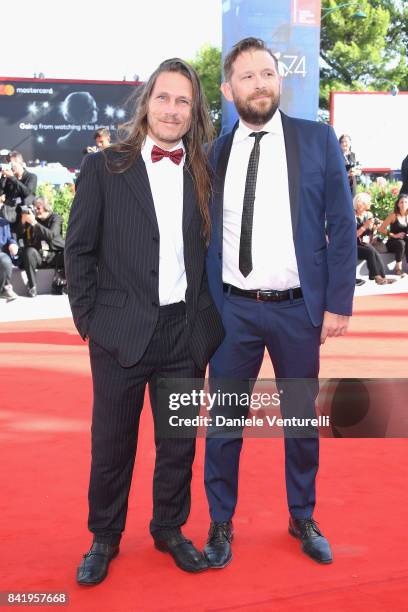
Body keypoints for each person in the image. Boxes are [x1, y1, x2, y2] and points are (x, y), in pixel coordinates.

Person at [65, 58, 225, 586]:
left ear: (194, 110)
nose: (173, 109)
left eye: (183, 101)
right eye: (164, 98)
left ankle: (168, 527)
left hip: (185, 333)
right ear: (146, 103)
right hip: (119, 333)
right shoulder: (104, 166)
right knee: (112, 443)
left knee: (178, 442)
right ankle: (104, 537)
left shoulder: (205, 169)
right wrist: (90, 321)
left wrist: (205, 326)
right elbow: (79, 250)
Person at [203, 37, 356, 568]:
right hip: (232, 312)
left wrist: (338, 303)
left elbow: (341, 223)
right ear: (228, 89)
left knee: (299, 421)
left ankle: (302, 515)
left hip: (297, 310)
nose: (259, 84)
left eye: (267, 73)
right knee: (223, 424)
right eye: (246, 76)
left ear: (280, 79)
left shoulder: (317, 141)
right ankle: (220, 522)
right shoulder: (214, 152)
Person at [17, 196, 65, 297]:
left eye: (38, 208)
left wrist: (34, 223)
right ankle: (32, 287)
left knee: (68, 253)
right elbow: (20, 235)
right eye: (35, 208)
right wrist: (22, 221)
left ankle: (61, 282)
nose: (36, 211)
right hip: (39, 255)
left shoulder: (56, 218)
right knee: (28, 251)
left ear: (46, 207)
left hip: (53, 256)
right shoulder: (33, 219)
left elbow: (51, 235)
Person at [354, 192, 395, 285]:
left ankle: (382, 277)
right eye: (368, 202)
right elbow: (352, 236)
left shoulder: (368, 214)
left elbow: (369, 236)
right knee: (370, 251)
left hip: (364, 244)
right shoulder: (352, 216)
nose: (370, 204)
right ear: (361, 203)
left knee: (374, 251)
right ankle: (376, 277)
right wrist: (364, 226)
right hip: (352, 245)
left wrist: (374, 229)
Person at [0, 151, 37, 232]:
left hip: (22, 215)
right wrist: (3, 177)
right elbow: (1, 193)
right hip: (8, 214)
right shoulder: (9, 178)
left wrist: (13, 178)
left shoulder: (31, 177)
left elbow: (27, 192)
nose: (11, 167)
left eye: (11, 164)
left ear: (19, 163)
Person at [378, 193, 408, 276]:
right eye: (401, 202)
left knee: (405, 242)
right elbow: (381, 229)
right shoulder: (393, 215)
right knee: (401, 243)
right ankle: (398, 269)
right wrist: (394, 235)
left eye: (406, 202)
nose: (404, 204)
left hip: (405, 242)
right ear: (398, 204)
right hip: (392, 243)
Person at [0, 211, 18, 301]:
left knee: (5, 260)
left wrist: (13, 244)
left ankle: (4, 289)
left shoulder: (4, 223)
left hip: (1, 253)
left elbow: (10, 238)